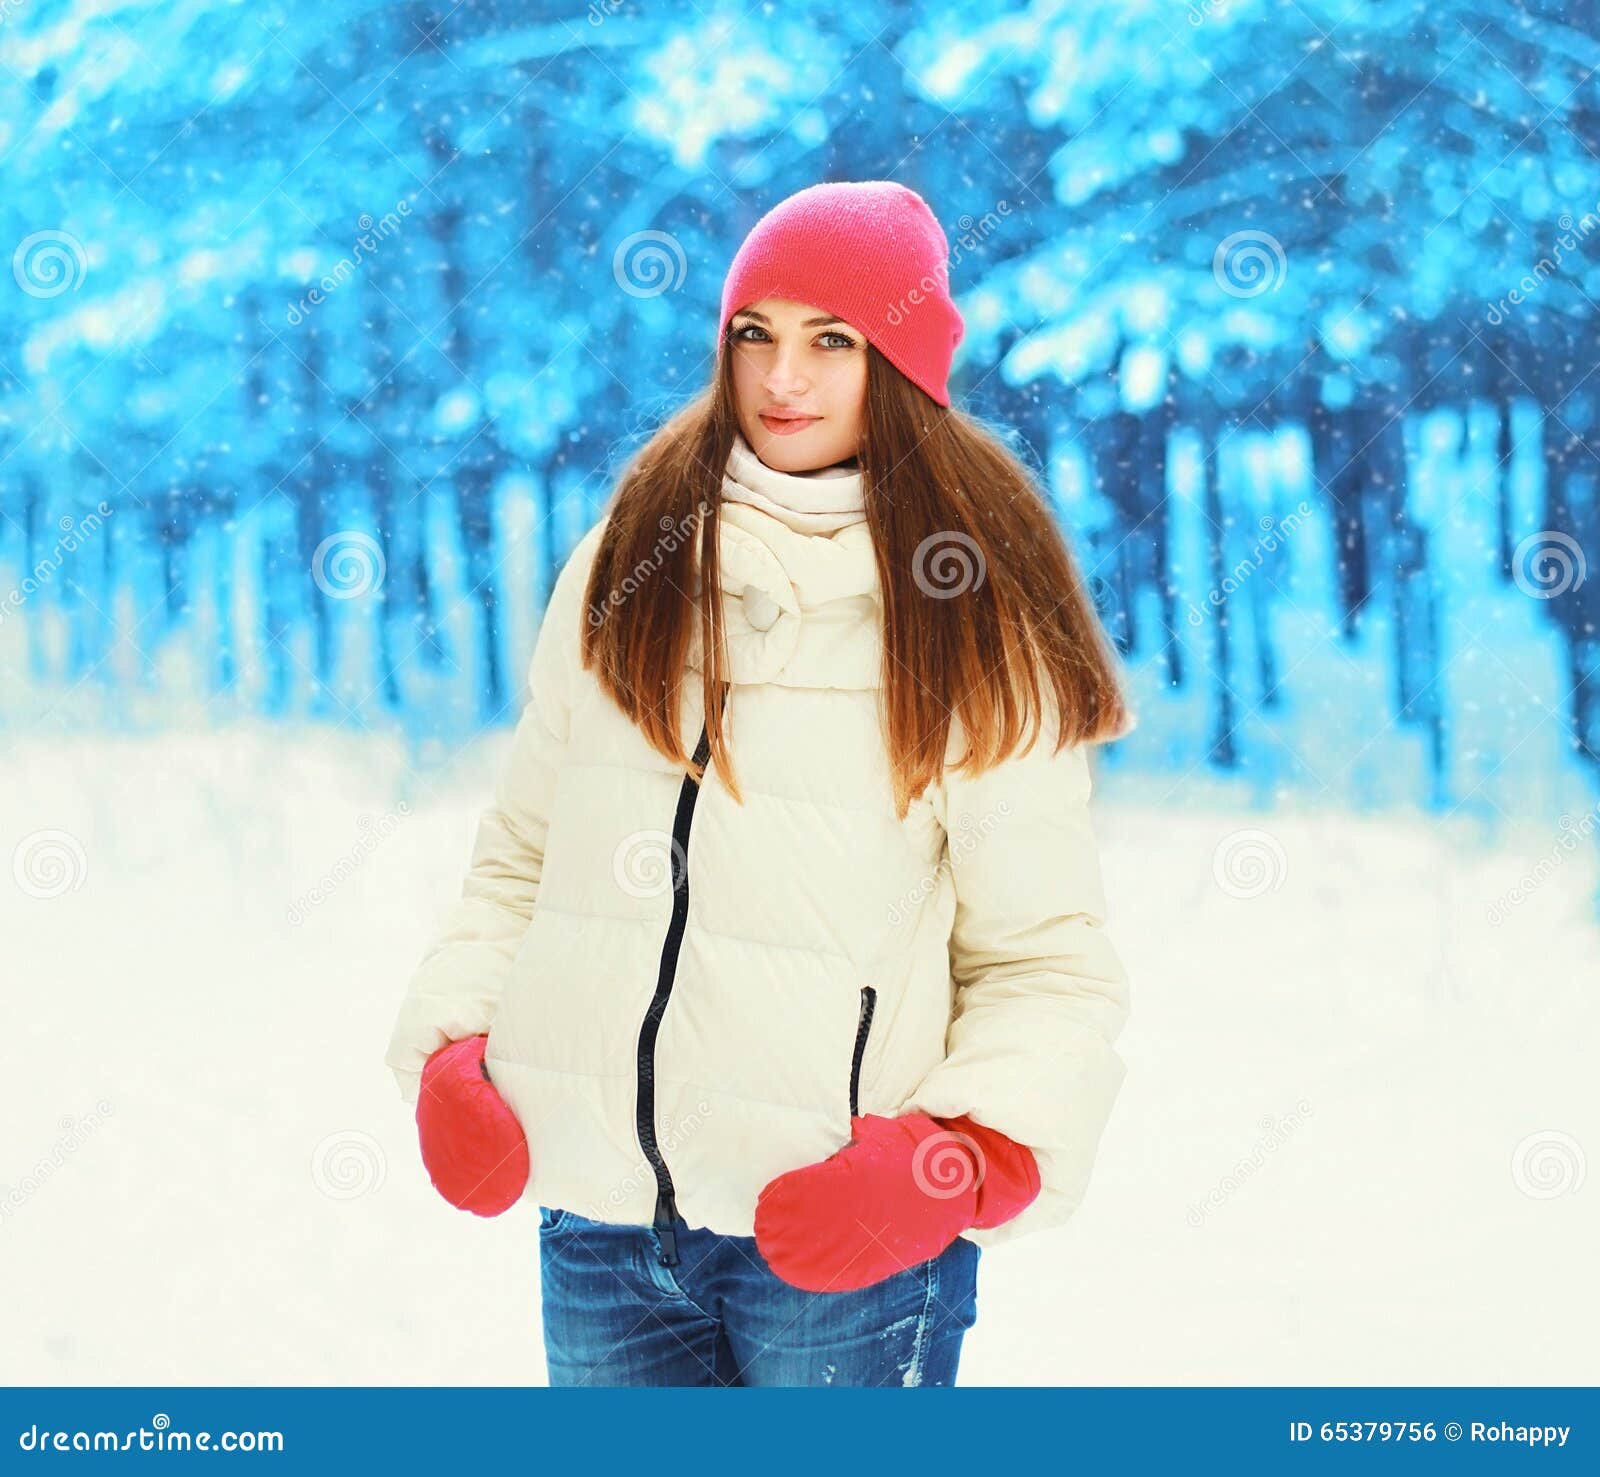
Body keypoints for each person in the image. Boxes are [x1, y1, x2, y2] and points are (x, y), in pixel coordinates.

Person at [385, 179, 1134, 1387]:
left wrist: (953, 1161)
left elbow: (1043, 959)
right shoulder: (628, 555)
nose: (785, 377)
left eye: (832, 341)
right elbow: (523, 856)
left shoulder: (968, 608)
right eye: (756, 335)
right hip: (600, 1225)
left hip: (838, 1244)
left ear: (898, 360)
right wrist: (454, 1045)